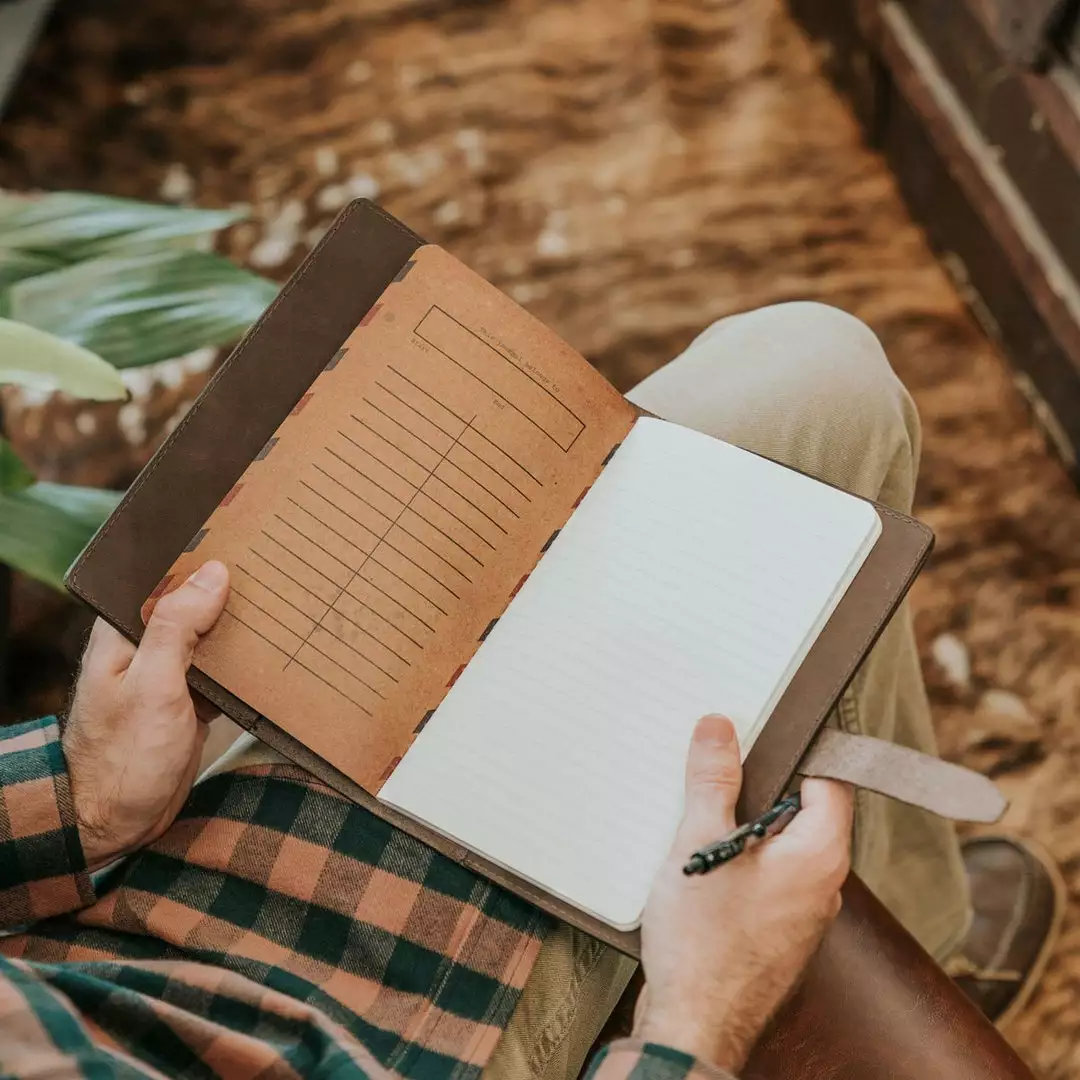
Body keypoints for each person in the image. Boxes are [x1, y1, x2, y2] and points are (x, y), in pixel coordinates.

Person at [0, 303, 1059, 1079]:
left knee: (817, 385)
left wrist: (79, 796)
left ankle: (914, 928)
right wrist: (698, 1024)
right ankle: (851, 982)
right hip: (418, 1043)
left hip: (159, 896)